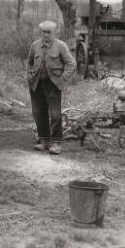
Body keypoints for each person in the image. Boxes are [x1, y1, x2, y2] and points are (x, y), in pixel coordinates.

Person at [26, 20, 76, 155]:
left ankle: (56, 143)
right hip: (36, 84)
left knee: (55, 115)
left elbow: (72, 64)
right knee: (38, 113)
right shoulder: (35, 45)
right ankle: (44, 141)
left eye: (49, 32)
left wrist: (62, 79)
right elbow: (29, 62)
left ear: (54, 33)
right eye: (44, 32)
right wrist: (30, 75)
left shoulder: (61, 46)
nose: (46, 35)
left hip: (53, 85)